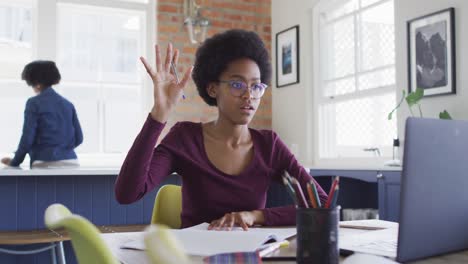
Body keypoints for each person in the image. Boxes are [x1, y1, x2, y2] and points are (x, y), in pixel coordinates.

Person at [115, 29, 327, 230]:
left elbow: (322, 204)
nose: (248, 95)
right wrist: (159, 114)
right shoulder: (184, 138)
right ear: (212, 88)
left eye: (256, 86)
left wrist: (255, 216)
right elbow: (127, 194)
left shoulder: (269, 145)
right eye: (237, 84)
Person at [1, 60, 83, 168]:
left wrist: (14, 162)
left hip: (44, 163)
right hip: (72, 162)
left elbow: (27, 139)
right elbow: (79, 138)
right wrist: (62, 150)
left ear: (36, 82)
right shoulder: (68, 104)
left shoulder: (34, 103)